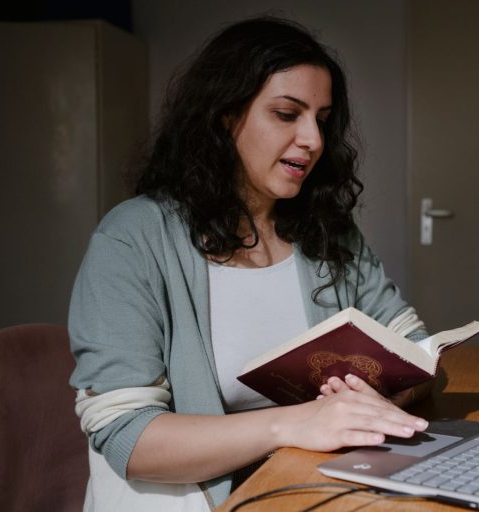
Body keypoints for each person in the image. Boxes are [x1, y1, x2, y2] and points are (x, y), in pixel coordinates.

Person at [69, 16, 431, 511]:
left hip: (315, 485)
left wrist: (378, 405)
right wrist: (297, 422)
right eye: (287, 114)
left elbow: (422, 356)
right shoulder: (132, 238)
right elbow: (128, 436)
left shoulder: (329, 231)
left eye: (321, 120)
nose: (314, 140)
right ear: (224, 115)